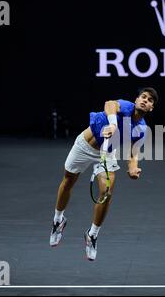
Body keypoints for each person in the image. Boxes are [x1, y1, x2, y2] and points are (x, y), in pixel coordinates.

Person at [50, 87, 158, 261]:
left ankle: (92, 234)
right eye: (143, 97)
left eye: (150, 100)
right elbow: (109, 104)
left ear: (151, 108)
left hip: (106, 154)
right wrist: (113, 125)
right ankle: (58, 220)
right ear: (137, 100)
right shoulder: (126, 106)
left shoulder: (142, 130)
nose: (145, 100)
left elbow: (133, 154)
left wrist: (133, 169)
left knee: (106, 193)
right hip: (84, 146)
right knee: (68, 181)